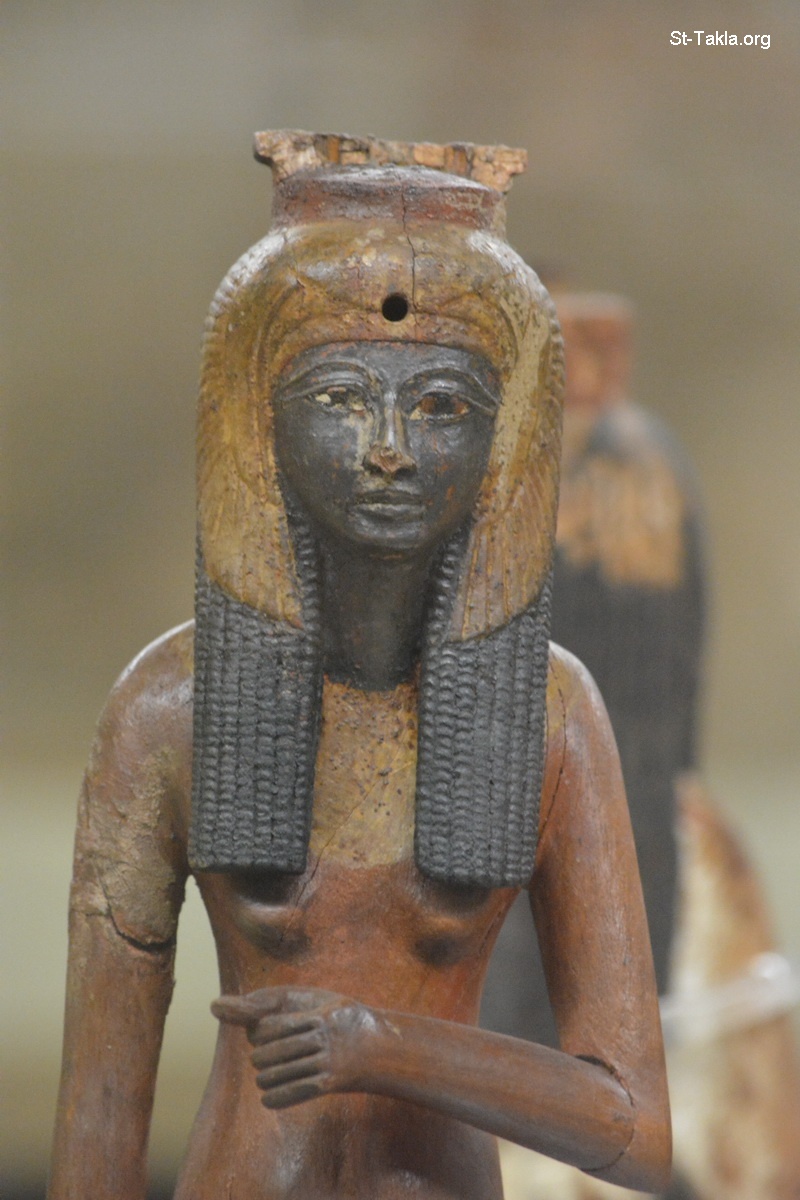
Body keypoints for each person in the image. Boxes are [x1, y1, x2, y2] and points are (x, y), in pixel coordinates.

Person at [49, 132, 670, 1200]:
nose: (389, 448)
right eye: (340, 399)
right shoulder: (169, 707)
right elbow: (97, 1130)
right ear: (261, 420)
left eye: (440, 406)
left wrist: (384, 1045)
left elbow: (636, 1129)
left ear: (504, 439)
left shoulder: (549, 709)